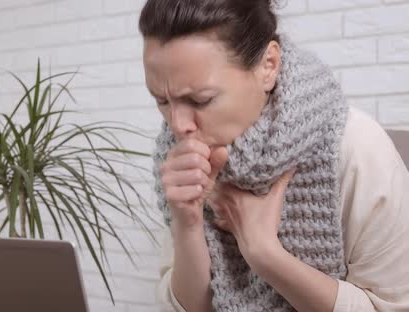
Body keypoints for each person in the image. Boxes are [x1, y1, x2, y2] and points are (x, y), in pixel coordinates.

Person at [139, 0, 409, 311]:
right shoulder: (180, 162)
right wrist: (187, 224)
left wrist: (265, 253)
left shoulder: (355, 150)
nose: (178, 125)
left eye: (201, 100)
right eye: (162, 101)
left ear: (268, 66)